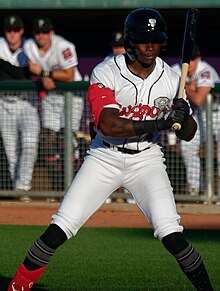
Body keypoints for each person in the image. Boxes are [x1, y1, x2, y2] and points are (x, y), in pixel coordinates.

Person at [8, 8, 213, 290]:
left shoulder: (169, 78)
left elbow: (189, 134)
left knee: (173, 236)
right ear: (130, 41)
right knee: (59, 229)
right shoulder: (106, 71)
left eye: (156, 40)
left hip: (147, 161)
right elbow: (108, 125)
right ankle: (16, 287)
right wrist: (160, 121)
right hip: (104, 156)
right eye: (143, 40)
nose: (150, 46)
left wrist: (183, 118)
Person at [23, 17, 84, 191]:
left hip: (71, 96)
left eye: (44, 32)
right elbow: (33, 72)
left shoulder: (64, 46)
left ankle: (74, 185)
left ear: (51, 32)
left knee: (67, 140)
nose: (40, 36)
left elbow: (69, 75)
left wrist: (44, 73)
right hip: (51, 97)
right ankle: (57, 187)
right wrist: (43, 77)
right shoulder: (29, 46)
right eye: (37, 32)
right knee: (48, 140)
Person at [0, 15, 40, 201]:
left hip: (26, 103)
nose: (12, 34)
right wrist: (18, 73)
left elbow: (27, 76)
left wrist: (4, 67)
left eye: (16, 30)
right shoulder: (0, 44)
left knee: (30, 143)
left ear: (21, 31)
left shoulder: (30, 46)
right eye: (9, 30)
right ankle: (19, 191)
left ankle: (23, 187)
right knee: (11, 151)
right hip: (3, 102)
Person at [172, 44, 220, 196]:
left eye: (193, 59)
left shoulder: (205, 70)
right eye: (187, 59)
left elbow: (199, 98)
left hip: (217, 112)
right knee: (188, 146)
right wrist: (190, 87)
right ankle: (195, 189)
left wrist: (183, 86)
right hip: (201, 114)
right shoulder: (178, 69)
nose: (190, 63)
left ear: (198, 58)